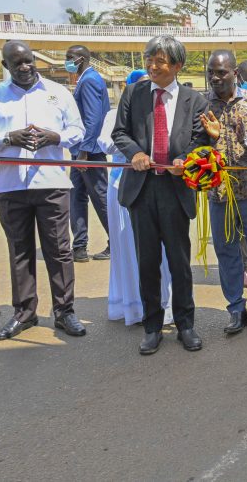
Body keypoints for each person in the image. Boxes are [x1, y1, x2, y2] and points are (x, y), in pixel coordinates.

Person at [0, 40, 87, 340]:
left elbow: (78, 131)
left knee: (59, 250)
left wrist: (55, 137)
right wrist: (7, 138)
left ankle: (65, 312)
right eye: (17, 63)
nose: (24, 67)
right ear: (6, 66)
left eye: (28, 61)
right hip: (11, 186)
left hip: (51, 184)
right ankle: (24, 313)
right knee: (20, 251)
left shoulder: (57, 92)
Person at [112, 35, 211, 356]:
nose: (152, 66)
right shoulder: (134, 93)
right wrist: (136, 153)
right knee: (147, 261)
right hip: (142, 189)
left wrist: (188, 160)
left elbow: (201, 141)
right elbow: (120, 133)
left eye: (160, 61)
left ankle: (185, 325)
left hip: (175, 190)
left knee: (180, 262)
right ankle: (152, 327)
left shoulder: (194, 101)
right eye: (148, 60)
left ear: (177, 66)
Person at [200, 50, 247, 334]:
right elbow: (197, 144)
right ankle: (235, 308)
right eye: (211, 72)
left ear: (235, 74)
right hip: (219, 192)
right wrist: (213, 142)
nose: (216, 78)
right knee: (226, 251)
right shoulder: (203, 104)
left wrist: (245, 137)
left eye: (221, 72)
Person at [98, 70, 173, 327]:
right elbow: (104, 143)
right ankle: (135, 305)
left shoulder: (163, 109)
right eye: (140, 85)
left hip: (159, 187)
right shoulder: (114, 114)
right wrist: (135, 146)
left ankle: (164, 302)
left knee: (160, 249)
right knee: (129, 247)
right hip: (124, 187)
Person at [66, 45, 111, 262]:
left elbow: (93, 119)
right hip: (80, 150)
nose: (66, 62)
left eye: (70, 58)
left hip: (89, 151)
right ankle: (80, 245)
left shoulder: (90, 80)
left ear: (82, 59)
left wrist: (84, 151)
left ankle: (116, 242)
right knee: (76, 196)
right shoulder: (84, 79)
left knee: (100, 197)